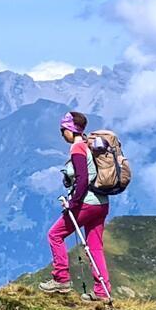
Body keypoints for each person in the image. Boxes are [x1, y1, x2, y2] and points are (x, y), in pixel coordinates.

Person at [39, 110, 111, 298]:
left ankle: (61, 279)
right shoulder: (91, 146)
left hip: (86, 204)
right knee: (95, 246)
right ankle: (102, 292)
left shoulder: (78, 148)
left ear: (70, 129)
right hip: (102, 203)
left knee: (55, 235)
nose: (62, 134)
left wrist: (73, 202)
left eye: (63, 129)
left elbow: (82, 177)